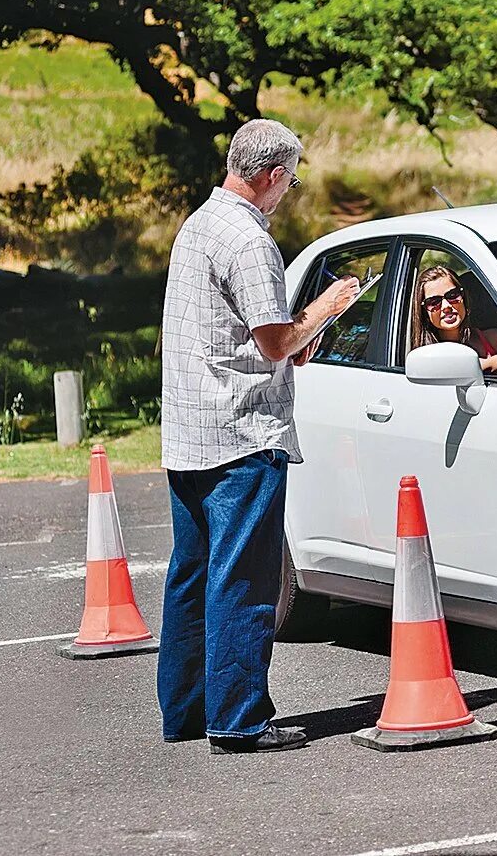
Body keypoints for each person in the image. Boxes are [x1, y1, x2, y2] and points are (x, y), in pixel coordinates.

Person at [158, 119, 360, 755]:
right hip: (241, 431)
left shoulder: (199, 224)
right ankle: (239, 718)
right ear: (272, 177)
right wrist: (327, 307)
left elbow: (247, 335)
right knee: (242, 580)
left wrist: (296, 337)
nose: (290, 190)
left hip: (189, 428)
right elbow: (275, 340)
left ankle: (186, 709)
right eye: (290, 179)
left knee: (192, 575)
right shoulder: (250, 242)